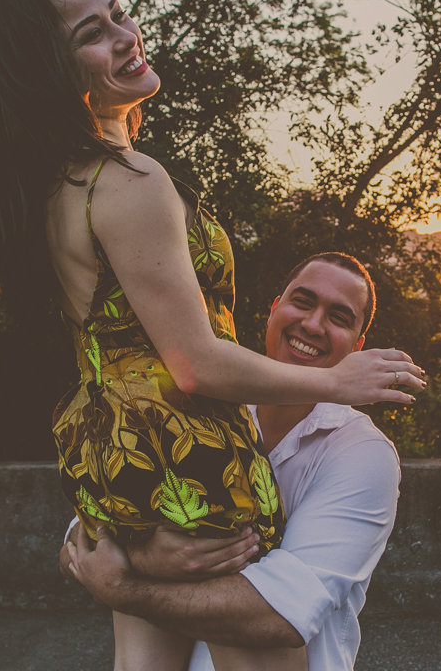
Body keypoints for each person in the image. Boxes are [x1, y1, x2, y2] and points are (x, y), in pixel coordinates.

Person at [0, 0, 425, 671]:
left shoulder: (53, 189)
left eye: (117, 12)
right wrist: (338, 382)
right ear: (51, 70)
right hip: (193, 454)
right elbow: (193, 361)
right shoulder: (130, 180)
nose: (125, 33)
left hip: (123, 453)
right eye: (92, 32)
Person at [65, 252, 404, 671]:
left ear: (357, 348)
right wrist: (152, 555)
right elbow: (79, 536)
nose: (313, 325)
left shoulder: (362, 452)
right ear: (274, 310)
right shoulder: (202, 408)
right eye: (302, 302)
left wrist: (124, 586)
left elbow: (278, 616)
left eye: (338, 316)